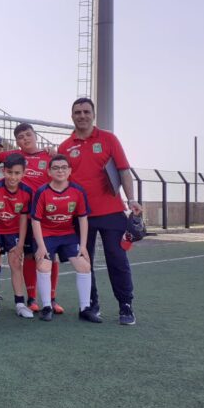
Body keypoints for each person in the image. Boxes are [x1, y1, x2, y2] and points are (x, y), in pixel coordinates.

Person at [58, 98, 142, 325]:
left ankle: (126, 306)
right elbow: (60, 176)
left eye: (86, 111)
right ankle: (91, 304)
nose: (82, 116)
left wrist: (131, 199)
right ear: (72, 116)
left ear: (93, 114)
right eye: (77, 112)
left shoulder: (109, 139)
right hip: (80, 215)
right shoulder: (65, 146)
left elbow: (124, 171)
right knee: (85, 261)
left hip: (111, 212)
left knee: (117, 259)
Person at [0, 123, 62, 314]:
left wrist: (53, 151)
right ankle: (32, 298)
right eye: (20, 137)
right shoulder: (14, 156)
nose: (25, 139)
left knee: (51, 256)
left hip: (46, 215)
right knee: (28, 255)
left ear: (35, 135)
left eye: (28, 135)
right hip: (22, 216)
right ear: (17, 142)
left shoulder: (48, 156)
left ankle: (51, 298)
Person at [31, 154, 98, 323]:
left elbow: (83, 218)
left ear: (69, 171)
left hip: (68, 235)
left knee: (84, 266)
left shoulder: (77, 190)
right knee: (44, 265)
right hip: (46, 235)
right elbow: (35, 220)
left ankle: (85, 309)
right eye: (55, 168)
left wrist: (83, 246)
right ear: (49, 172)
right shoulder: (42, 192)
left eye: (63, 168)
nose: (60, 171)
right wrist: (41, 246)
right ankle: (47, 307)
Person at [0, 153, 34, 319]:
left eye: (17, 173)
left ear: (23, 173)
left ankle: (20, 304)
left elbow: (23, 220)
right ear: (3, 171)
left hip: (13, 232)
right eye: (9, 172)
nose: (13, 177)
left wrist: (20, 245)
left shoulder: (27, 191)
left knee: (15, 263)